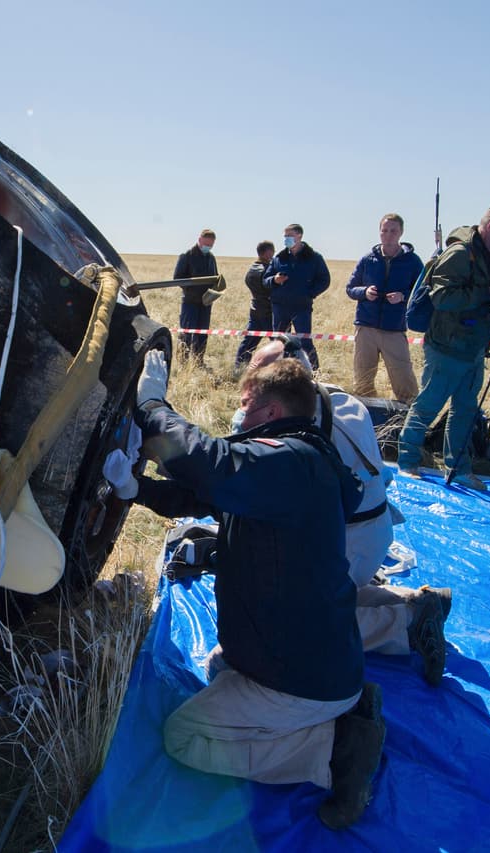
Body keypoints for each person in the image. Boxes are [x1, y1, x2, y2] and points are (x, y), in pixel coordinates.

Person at [107, 351, 384, 829]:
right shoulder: (291, 468)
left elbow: (208, 465)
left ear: (271, 412)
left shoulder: (290, 464)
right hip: (311, 660)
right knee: (217, 668)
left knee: (184, 737)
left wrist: (151, 407)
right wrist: (138, 490)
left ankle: (335, 750)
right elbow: (201, 494)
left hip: (305, 679)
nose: (238, 414)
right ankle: (336, 709)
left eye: (245, 404)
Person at [249, 339, 450, 687]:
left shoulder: (296, 422)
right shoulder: (339, 398)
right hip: (372, 531)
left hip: (350, 540)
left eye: (258, 374)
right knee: (324, 588)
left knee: (289, 623)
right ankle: (417, 603)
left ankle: (406, 627)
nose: (250, 382)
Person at [396, 202, 490, 491]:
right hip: (446, 346)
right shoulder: (459, 253)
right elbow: (442, 298)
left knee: (466, 411)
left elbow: (488, 294)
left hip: (474, 346)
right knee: (428, 405)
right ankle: (407, 462)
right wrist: (488, 293)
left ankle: (458, 468)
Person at [345, 214, 424, 401]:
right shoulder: (367, 259)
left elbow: (422, 292)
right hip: (366, 328)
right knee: (362, 381)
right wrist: (364, 292)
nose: (388, 235)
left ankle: (408, 420)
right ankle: (366, 419)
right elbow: (350, 288)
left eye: (393, 231)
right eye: (384, 230)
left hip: (394, 329)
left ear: (401, 233)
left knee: (404, 381)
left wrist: (403, 297)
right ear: (379, 232)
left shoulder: (412, 261)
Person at [265, 224, 331, 370]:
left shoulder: (314, 258)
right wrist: (274, 280)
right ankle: (280, 371)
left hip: (302, 307)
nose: (286, 239)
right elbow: (266, 279)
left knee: (305, 342)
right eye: (285, 237)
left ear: (299, 236)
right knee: (279, 342)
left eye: (289, 236)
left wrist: (310, 293)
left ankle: (313, 373)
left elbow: (324, 280)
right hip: (280, 306)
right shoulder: (279, 258)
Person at [174, 229, 219, 363]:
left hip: (205, 303)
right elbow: (178, 278)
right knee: (187, 333)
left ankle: (199, 360)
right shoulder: (187, 256)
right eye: (206, 244)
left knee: (202, 333)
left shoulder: (211, 258)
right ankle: (183, 361)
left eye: (211, 245)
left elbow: (215, 277)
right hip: (190, 302)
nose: (208, 247)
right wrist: (193, 288)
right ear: (200, 240)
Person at [234, 240, 276, 371]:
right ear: (267, 252)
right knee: (279, 343)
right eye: (272, 252)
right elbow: (270, 288)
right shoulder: (266, 270)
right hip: (268, 311)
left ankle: (239, 367)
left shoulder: (251, 269)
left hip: (255, 308)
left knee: (249, 342)